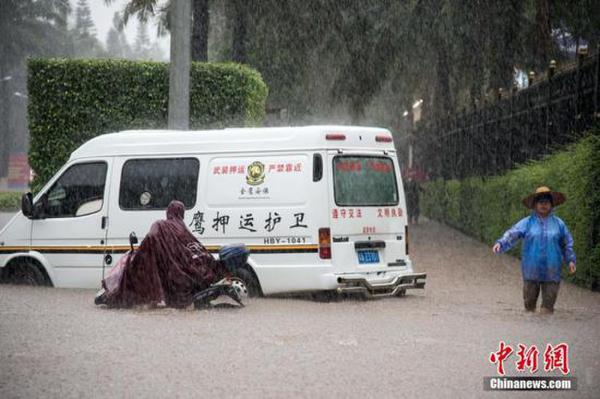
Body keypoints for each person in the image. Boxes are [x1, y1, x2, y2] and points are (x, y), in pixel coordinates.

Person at [101, 200, 229, 308]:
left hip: (175, 272)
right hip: (191, 271)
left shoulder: (161, 225)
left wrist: (146, 250)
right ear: (182, 213)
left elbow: (151, 236)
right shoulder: (183, 228)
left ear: (168, 212)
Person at [492, 186, 576, 314]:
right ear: (535, 205)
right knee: (529, 309)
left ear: (551, 204)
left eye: (546, 202)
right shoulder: (527, 223)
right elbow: (512, 233)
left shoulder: (559, 224)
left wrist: (570, 260)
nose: (543, 205)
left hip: (552, 271)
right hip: (531, 270)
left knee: (547, 310)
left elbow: (567, 243)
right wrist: (501, 243)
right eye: (540, 202)